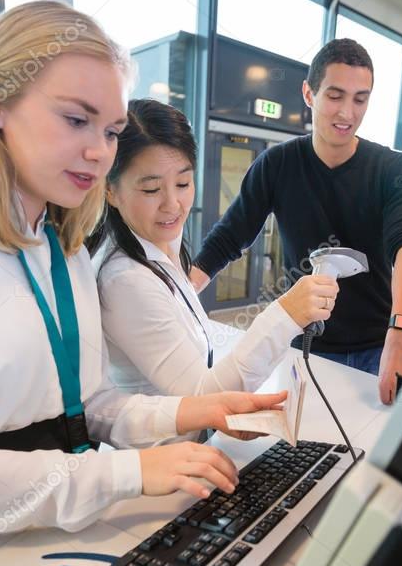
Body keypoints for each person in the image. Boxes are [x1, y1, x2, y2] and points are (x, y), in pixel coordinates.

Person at [0, 1, 283, 566]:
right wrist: (128, 470)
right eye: (75, 120)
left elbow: (88, 407)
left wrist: (190, 413)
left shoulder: (62, 249)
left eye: (111, 130)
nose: (100, 151)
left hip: (63, 523)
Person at [189, 38, 402, 405]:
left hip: (375, 349)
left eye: (360, 99)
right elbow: (229, 237)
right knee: (304, 452)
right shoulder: (277, 165)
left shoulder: (393, 169)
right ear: (308, 93)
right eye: (335, 96)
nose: (347, 113)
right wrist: (180, 296)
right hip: (304, 347)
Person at [88, 98, 339, 400]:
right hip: (167, 445)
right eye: (151, 189)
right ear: (110, 190)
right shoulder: (125, 279)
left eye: (183, 183)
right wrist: (285, 315)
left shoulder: (162, 248)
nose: (172, 204)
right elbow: (201, 396)